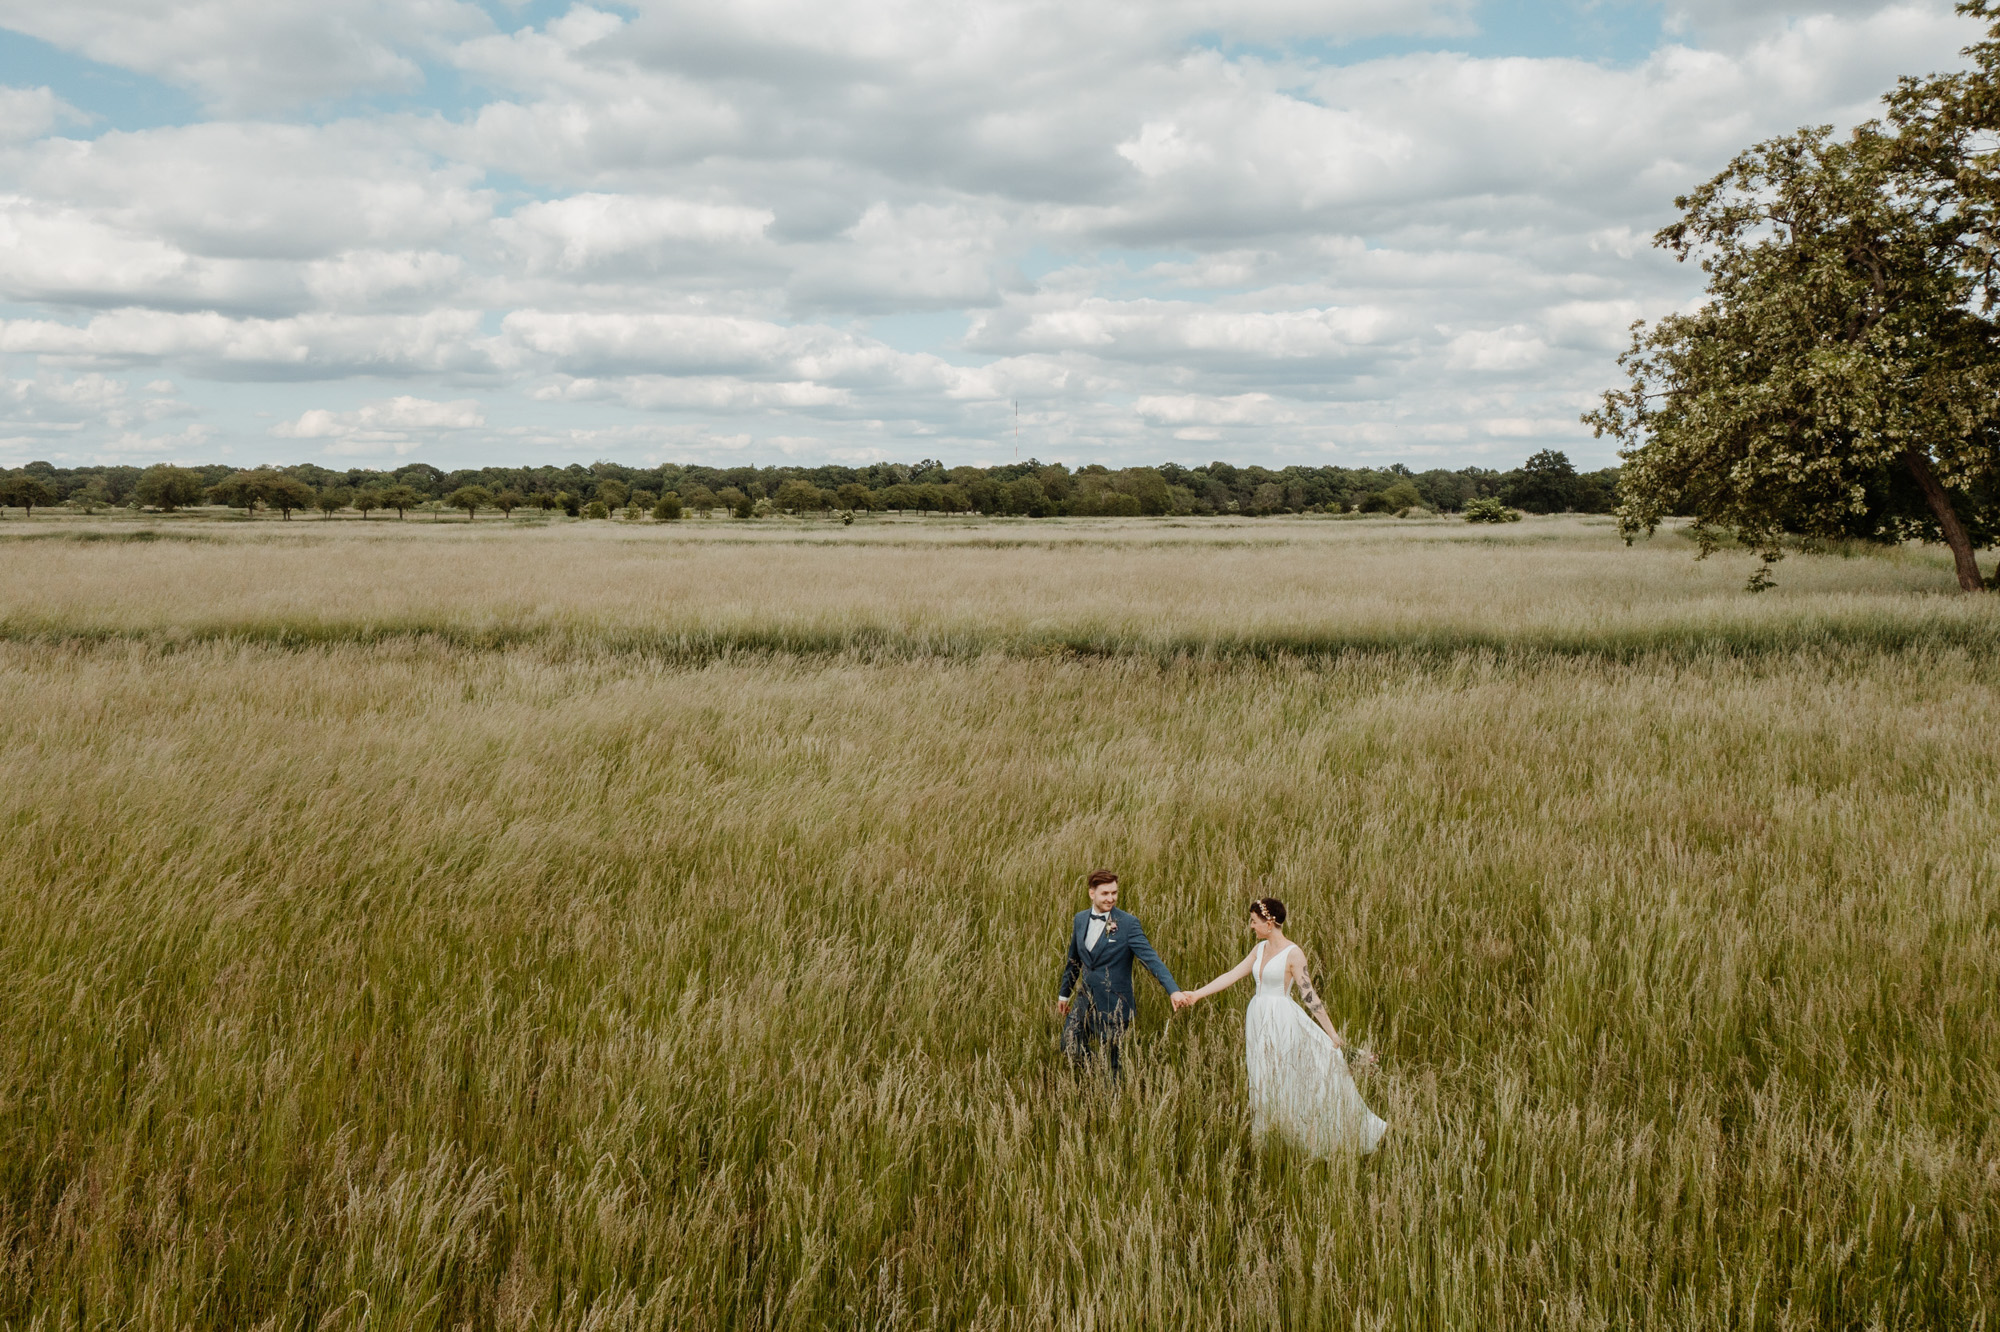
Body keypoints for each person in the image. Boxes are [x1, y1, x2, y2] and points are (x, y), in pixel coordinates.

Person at [1174, 897, 1387, 1155]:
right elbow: (1231, 975)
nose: (1251, 926)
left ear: (1270, 922)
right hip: (1258, 1017)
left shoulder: (1293, 953)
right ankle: (1269, 1142)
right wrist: (1196, 994)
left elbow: (1310, 996)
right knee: (1261, 1077)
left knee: (1285, 1076)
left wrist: (1332, 1034)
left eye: (1254, 922)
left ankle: (1304, 1137)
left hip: (1282, 1019)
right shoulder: (1259, 950)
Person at [1054, 870, 1189, 1078]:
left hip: (1115, 1004)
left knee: (1112, 1066)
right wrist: (1064, 994)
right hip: (1084, 999)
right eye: (1105, 893)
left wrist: (1173, 990)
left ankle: (1110, 1100)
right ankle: (1092, 1072)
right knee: (1069, 1044)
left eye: (1114, 893)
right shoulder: (1080, 919)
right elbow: (1074, 960)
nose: (1111, 898)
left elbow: (1151, 959)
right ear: (1092, 894)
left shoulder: (1128, 924)